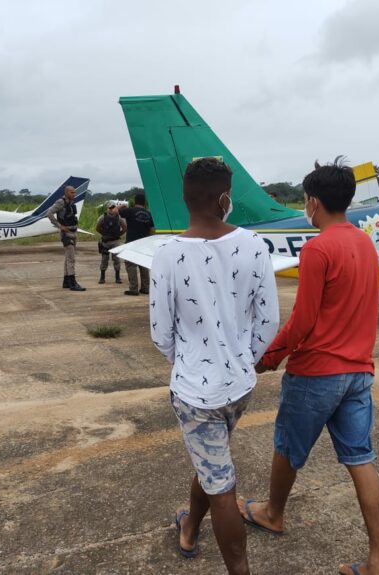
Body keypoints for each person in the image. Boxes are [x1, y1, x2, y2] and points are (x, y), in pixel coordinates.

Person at [237, 158, 379, 575]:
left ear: (312, 202)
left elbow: (303, 321)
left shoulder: (318, 248)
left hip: (317, 374)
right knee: (360, 459)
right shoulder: (364, 243)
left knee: (288, 448)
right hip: (359, 372)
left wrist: (269, 356)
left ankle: (273, 513)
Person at [150, 158, 279, 575]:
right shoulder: (255, 245)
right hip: (240, 387)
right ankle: (189, 526)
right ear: (225, 198)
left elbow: (160, 331)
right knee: (211, 461)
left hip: (195, 393)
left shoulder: (166, 255)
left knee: (222, 487)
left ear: (185, 199)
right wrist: (245, 357)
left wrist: (186, 360)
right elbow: (269, 320)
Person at [47, 185, 86, 291]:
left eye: (74, 192)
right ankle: (73, 283)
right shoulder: (61, 202)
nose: (74, 194)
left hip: (73, 232)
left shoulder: (71, 203)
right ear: (66, 192)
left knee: (68, 258)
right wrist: (60, 226)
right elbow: (49, 213)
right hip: (66, 234)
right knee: (71, 259)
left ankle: (66, 281)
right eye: (72, 192)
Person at [119, 193, 155, 295]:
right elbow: (152, 229)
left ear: (135, 202)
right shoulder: (149, 214)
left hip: (131, 243)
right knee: (143, 266)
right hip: (144, 243)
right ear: (144, 202)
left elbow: (115, 211)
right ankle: (146, 288)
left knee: (131, 266)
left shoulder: (130, 211)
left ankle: (133, 289)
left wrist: (121, 205)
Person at [95, 201, 127, 284]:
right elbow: (97, 228)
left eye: (113, 208)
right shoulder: (103, 217)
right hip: (106, 242)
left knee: (116, 260)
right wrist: (105, 234)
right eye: (110, 208)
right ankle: (102, 277)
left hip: (115, 241)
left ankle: (117, 277)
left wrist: (118, 234)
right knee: (104, 259)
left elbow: (124, 228)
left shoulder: (118, 218)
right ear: (108, 209)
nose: (112, 210)